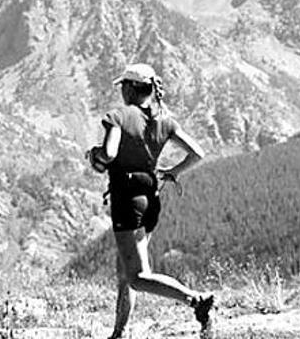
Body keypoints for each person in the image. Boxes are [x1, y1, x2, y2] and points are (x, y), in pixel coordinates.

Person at [86, 64, 215, 339]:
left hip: (127, 201)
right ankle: (119, 333)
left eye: (123, 85)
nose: (121, 90)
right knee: (125, 271)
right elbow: (197, 153)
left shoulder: (119, 116)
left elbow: (109, 154)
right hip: (151, 201)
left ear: (131, 88)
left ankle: (196, 300)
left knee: (137, 277)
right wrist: (173, 172)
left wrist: (95, 154)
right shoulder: (164, 121)